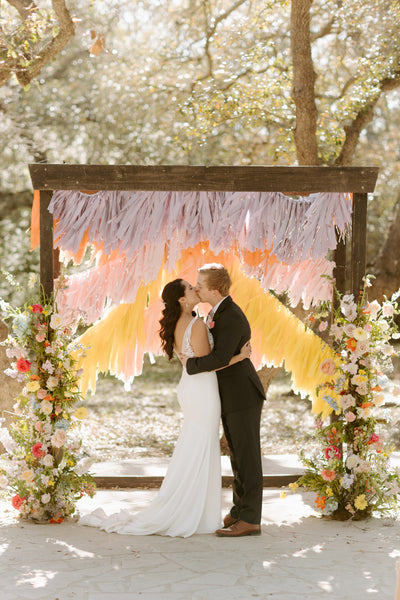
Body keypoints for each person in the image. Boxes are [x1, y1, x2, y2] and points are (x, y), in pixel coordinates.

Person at [80, 278, 249, 537]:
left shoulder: (183, 323)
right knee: (201, 445)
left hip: (192, 387)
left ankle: (195, 508)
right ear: (182, 299)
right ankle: (194, 512)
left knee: (195, 444)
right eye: (190, 288)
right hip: (202, 388)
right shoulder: (197, 325)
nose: (195, 289)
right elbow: (207, 364)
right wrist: (240, 357)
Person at [182, 264, 265, 537]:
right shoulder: (217, 312)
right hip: (229, 394)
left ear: (215, 290)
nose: (196, 288)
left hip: (242, 393)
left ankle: (251, 518)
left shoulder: (231, 316)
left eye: (200, 285)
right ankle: (240, 510)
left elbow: (218, 359)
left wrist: (189, 365)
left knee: (247, 456)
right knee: (237, 455)